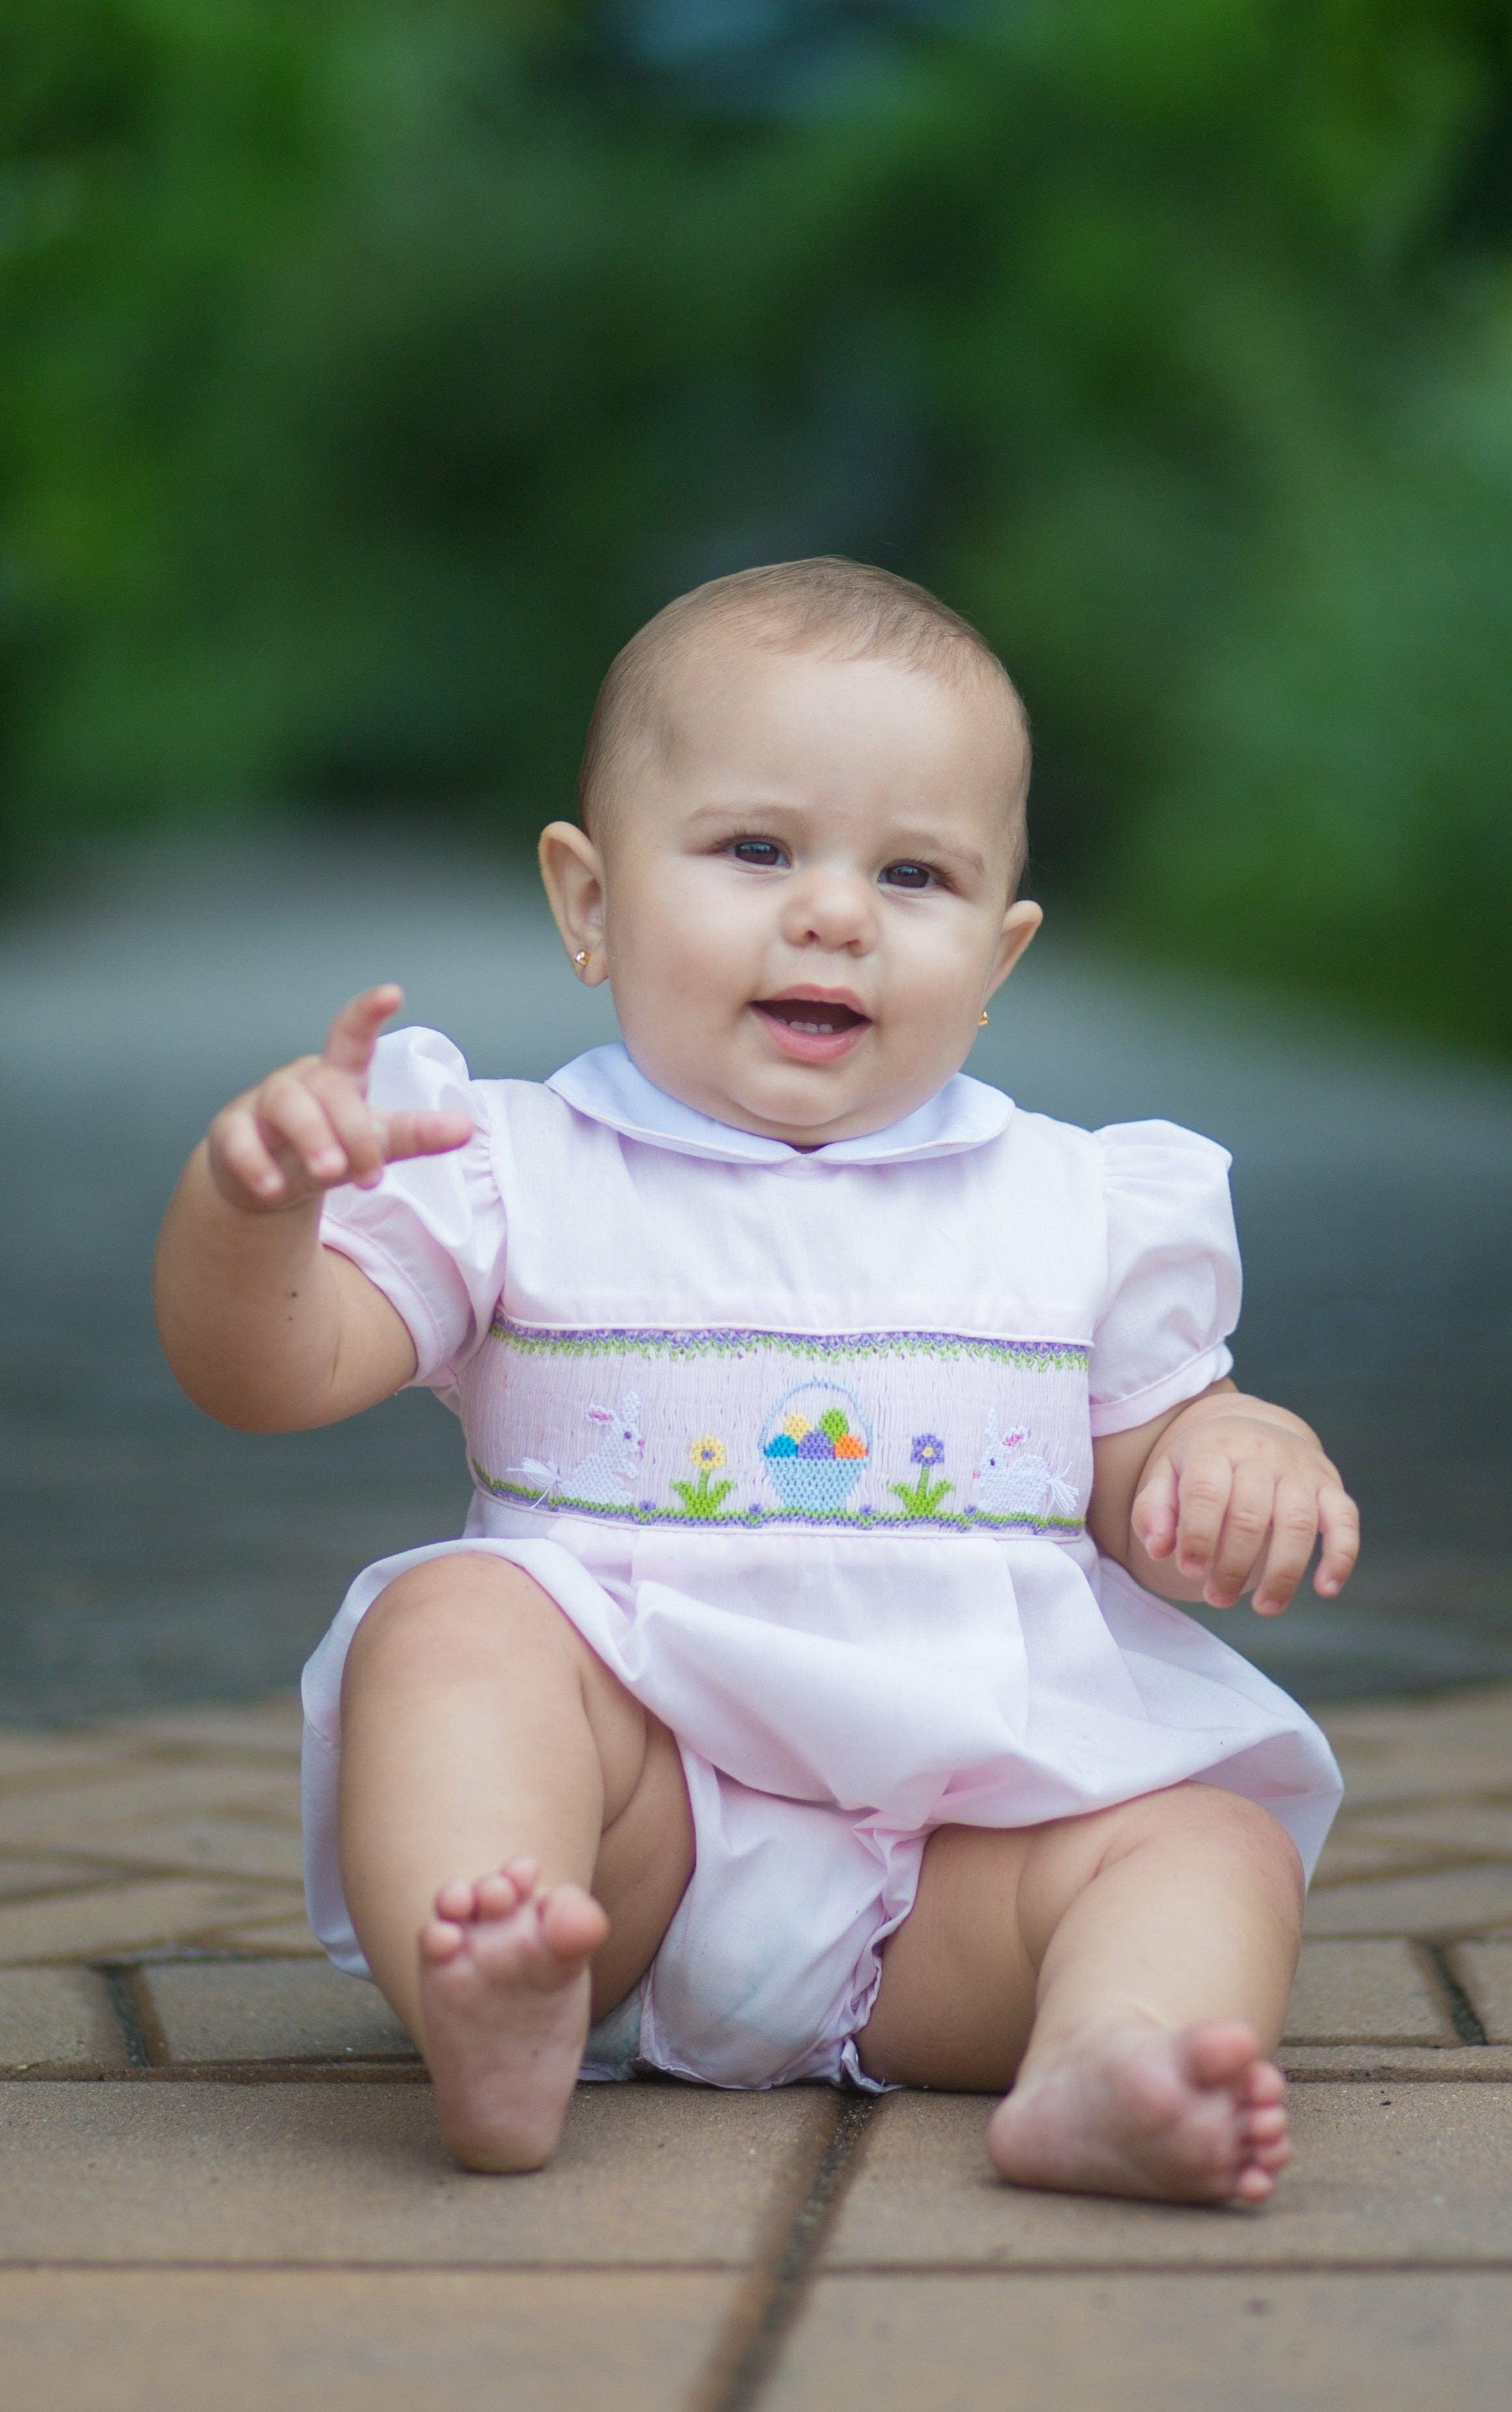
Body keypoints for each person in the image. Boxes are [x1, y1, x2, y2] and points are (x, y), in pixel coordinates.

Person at [155, 559, 1354, 2204]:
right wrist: (252, 1208)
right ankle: (493, 1964)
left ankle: (1108, 2051)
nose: (835, 911)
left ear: (998, 951)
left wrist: (1233, 1448)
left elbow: (1147, 1489)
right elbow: (267, 1372)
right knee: (454, 1625)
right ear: (590, 901)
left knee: (1204, 1836)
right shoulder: (505, 1164)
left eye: (914, 872)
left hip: (963, 1860)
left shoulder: (1081, 1201)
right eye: (753, 848)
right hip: (632, 1844)